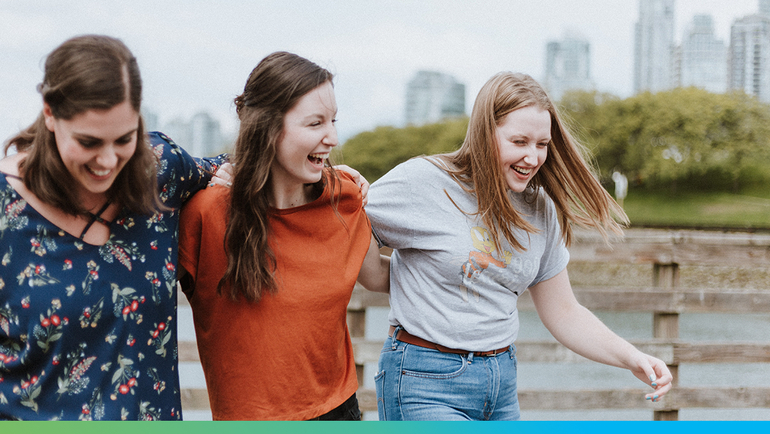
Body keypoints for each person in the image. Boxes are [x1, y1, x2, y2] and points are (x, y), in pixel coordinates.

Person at [366, 72, 673, 421]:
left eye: (542, 144)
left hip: (500, 384)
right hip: (424, 382)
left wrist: (631, 357)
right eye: (519, 141)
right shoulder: (424, 182)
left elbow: (564, 313)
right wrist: (391, 276)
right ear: (485, 134)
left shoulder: (540, 209)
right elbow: (350, 228)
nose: (533, 157)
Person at [0, 35, 231, 420]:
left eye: (125, 139)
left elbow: (235, 169)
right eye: (89, 142)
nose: (108, 161)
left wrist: (333, 183)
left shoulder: (161, 168)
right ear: (50, 114)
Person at [177, 51, 389, 421]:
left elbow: (379, 277)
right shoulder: (205, 213)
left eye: (334, 121)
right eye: (315, 124)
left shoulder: (346, 197)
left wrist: (467, 262)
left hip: (340, 413)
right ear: (268, 127)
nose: (332, 137)